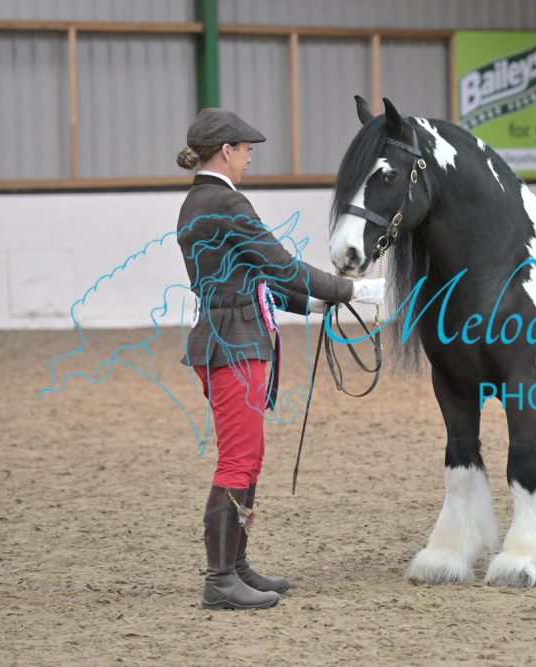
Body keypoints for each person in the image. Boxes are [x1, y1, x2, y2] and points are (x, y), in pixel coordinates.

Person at [175, 108, 385, 610]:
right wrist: (351, 290)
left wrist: (311, 304)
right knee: (237, 461)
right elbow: (280, 265)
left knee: (249, 458)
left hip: (230, 338)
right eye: (246, 150)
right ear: (226, 151)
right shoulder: (226, 201)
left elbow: (251, 277)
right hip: (234, 345)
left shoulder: (200, 201)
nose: (250, 158)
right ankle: (220, 580)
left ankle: (237, 566)